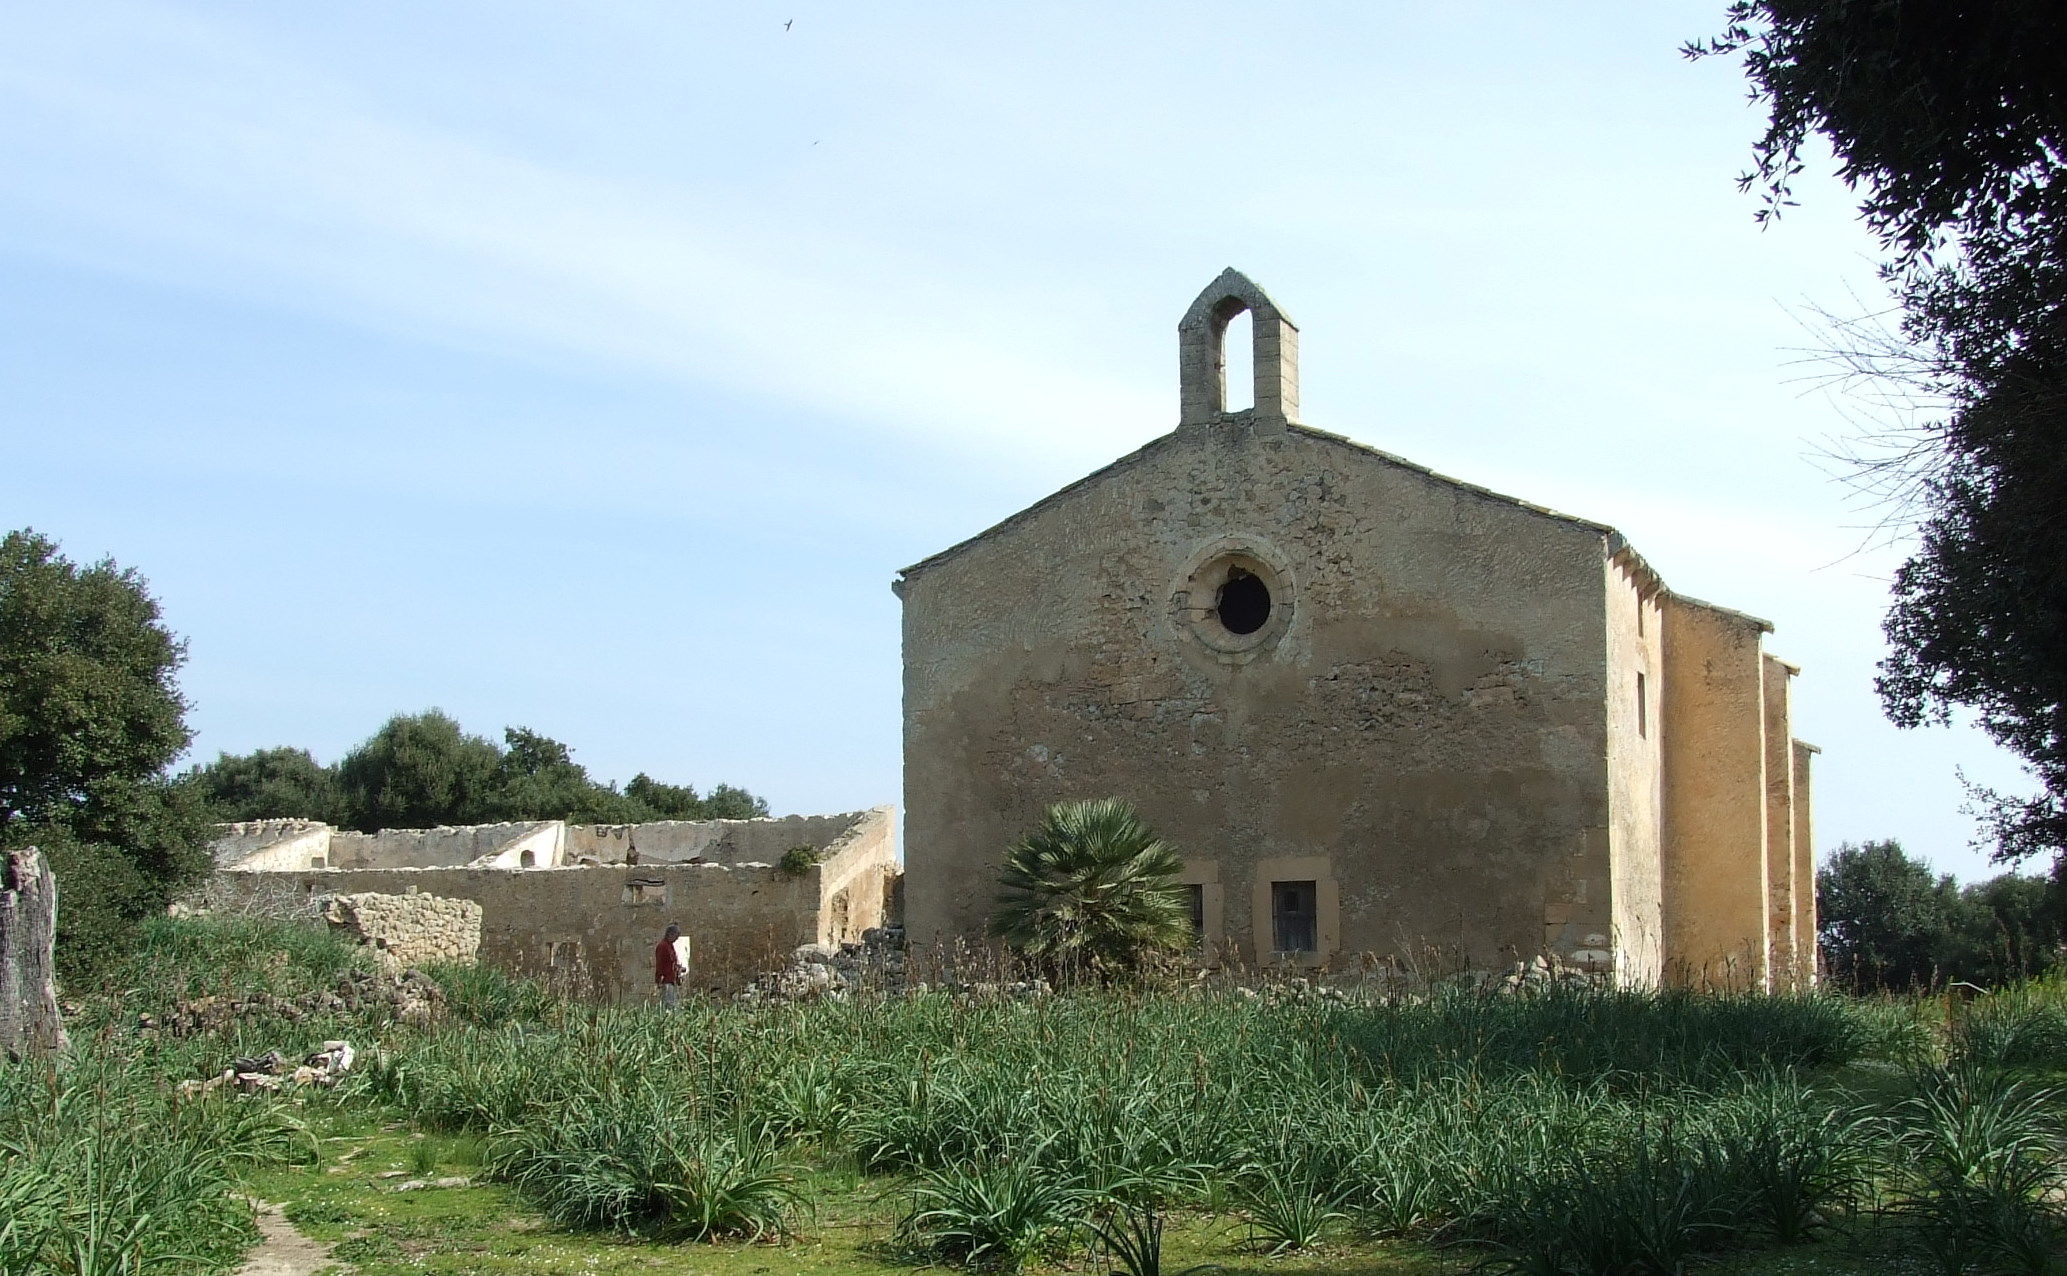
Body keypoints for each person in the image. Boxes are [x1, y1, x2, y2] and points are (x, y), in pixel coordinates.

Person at [654, 923, 691, 1009]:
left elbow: (672, 962)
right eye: (676, 936)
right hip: (666, 980)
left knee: (673, 1004)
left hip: (671, 979)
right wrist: (659, 979)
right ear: (670, 934)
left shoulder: (669, 946)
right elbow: (661, 964)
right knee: (669, 1005)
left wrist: (679, 969)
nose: (676, 939)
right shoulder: (663, 946)